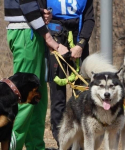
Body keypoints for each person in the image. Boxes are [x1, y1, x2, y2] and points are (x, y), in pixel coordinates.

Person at [4, 0, 69, 150]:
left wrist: (40, 12)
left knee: (37, 97)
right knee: (24, 97)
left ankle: (36, 147)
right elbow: (26, 3)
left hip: (33, 31)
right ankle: (10, 147)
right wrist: (50, 39)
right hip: (26, 34)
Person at [45, 0, 95, 149]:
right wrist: (53, 44)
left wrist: (81, 44)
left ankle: (80, 142)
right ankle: (62, 141)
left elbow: (89, 18)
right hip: (55, 40)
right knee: (57, 95)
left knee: (83, 96)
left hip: (78, 40)